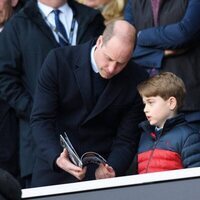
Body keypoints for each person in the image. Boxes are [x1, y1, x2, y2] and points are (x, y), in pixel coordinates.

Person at [30, 20, 149, 187]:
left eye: (121, 63)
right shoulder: (59, 60)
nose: (111, 68)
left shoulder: (137, 78)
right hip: (55, 169)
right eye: (109, 58)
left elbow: (127, 139)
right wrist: (57, 157)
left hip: (101, 175)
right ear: (100, 41)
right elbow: (41, 119)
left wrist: (112, 168)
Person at [0, 0, 105, 188]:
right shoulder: (18, 23)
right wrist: (36, 110)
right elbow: (5, 78)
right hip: (38, 146)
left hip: (92, 144)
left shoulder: (91, 18)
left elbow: (106, 70)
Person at [124, 0, 200, 130]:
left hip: (188, 102)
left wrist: (141, 36)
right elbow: (128, 45)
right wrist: (162, 52)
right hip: (145, 102)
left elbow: (184, 33)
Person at [137, 72, 200, 174]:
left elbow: (195, 180)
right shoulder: (145, 137)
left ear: (171, 103)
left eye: (150, 103)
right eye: (145, 104)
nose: (145, 109)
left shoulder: (188, 136)